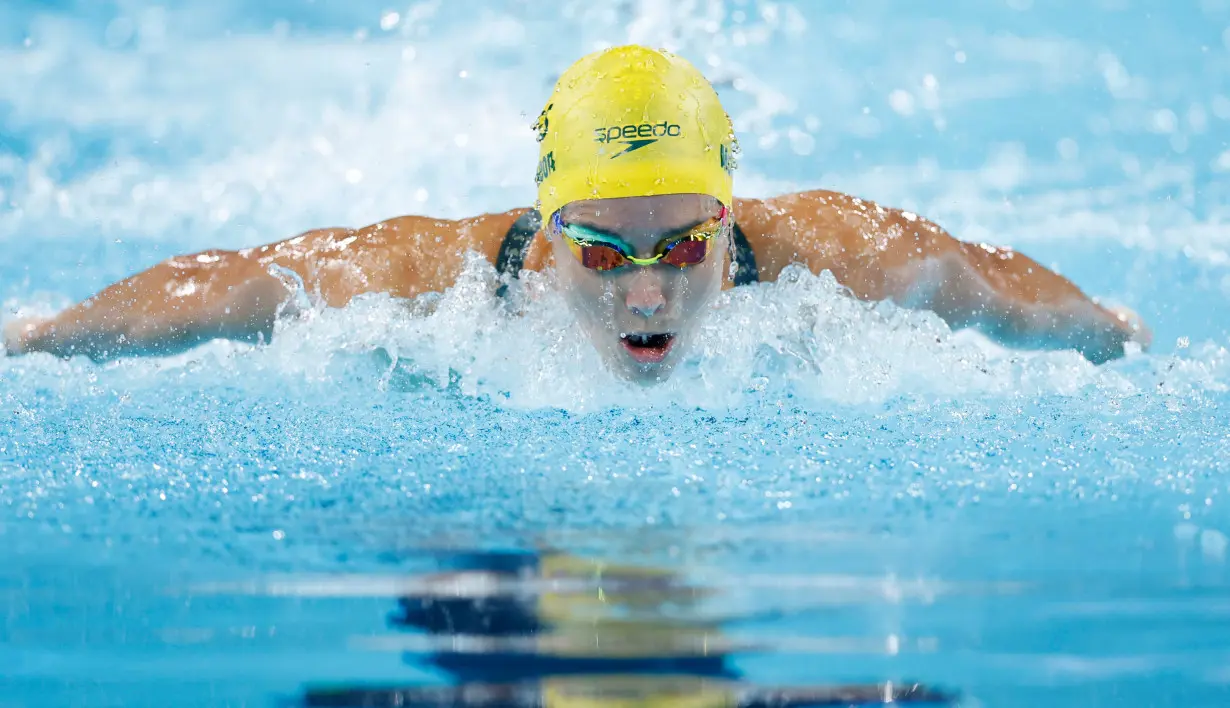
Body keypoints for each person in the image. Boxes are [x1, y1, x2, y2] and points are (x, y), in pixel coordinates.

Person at [2, 45, 1149, 383]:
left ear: (726, 215)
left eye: (683, 244)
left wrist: (1112, 330)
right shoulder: (450, 275)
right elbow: (237, 284)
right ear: (550, 235)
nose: (645, 288)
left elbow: (981, 278)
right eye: (602, 248)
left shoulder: (828, 254)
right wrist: (43, 335)